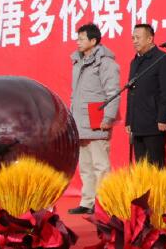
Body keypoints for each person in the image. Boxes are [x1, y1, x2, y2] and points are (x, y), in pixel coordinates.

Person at [68, 22, 120, 215]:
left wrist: (108, 117)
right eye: (78, 38)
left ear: (93, 41)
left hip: (97, 120)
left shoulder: (106, 63)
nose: (78, 42)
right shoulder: (78, 62)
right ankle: (87, 201)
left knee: (101, 166)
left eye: (82, 39)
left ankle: (104, 203)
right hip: (80, 122)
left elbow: (113, 93)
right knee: (86, 166)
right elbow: (75, 95)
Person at [125, 23, 166, 167]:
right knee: (141, 167)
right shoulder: (134, 62)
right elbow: (131, 93)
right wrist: (129, 120)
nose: (134, 41)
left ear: (150, 39)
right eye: (133, 38)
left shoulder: (162, 59)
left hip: (154, 124)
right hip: (137, 123)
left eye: (138, 38)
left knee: (156, 165)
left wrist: (163, 118)